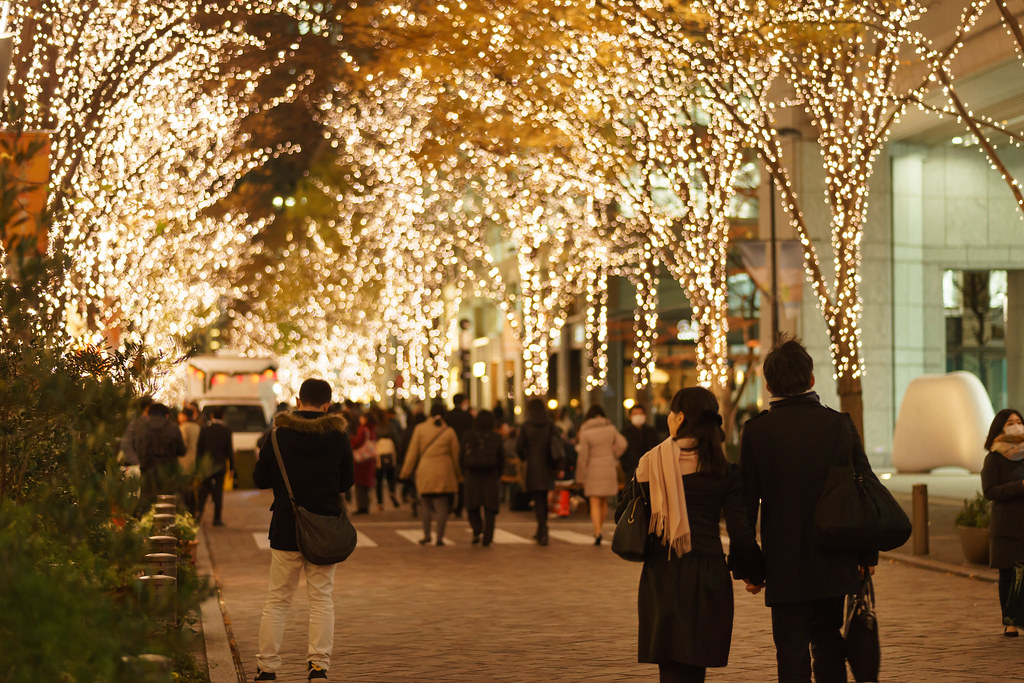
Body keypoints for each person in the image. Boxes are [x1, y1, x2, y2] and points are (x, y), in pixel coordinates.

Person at [740, 337, 879, 682]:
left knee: (790, 650)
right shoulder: (839, 425)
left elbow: (744, 504)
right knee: (828, 640)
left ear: (768, 384)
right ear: (812, 380)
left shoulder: (757, 432)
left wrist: (752, 568)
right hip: (834, 555)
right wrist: (866, 555)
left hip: (784, 561)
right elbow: (863, 492)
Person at [616, 387, 764, 682]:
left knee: (669, 666)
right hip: (707, 572)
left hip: (663, 571)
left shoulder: (650, 463)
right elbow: (741, 532)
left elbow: (623, 514)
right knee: (697, 664)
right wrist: (755, 573)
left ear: (680, 417)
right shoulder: (724, 469)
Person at [253, 378, 354, 682]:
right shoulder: (337, 437)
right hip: (323, 527)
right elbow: (346, 481)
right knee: (322, 599)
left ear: (298, 401)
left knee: (278, 600)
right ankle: (318, 666)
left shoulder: (277, 436)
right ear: (327, 405)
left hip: (286, 526)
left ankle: (267, 667)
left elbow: (259, 479)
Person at [981, 408, 1024, 637]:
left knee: (1023, 574)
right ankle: (1010, 622)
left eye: (1019, 421)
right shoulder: (994, 457)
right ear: (1000, 427)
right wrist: (1020, 487)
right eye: (1011, 422)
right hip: (1007, 525)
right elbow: (990, 491)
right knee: (1008, 574)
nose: (1016, 425)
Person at [399, 403, 462, 546]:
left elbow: (412, 453)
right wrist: (459, 475)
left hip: (425, 470)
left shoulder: (420, 429)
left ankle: (426, 535)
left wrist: (405, 471)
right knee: (441, 507)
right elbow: (456, 455)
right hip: (444, 471)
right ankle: (440, 538)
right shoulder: (449, 431)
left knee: (425, 505)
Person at [575, 403, 627, 544]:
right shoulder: (610, 429)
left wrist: (580, 475)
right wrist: (613, 454)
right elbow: (623, 444)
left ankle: (597, 532)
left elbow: (583, 456)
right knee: (604, 501)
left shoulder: (585, 432)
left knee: (594, 502)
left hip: (592, 469)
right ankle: (601, 528)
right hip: (608, 467)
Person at [516, 397, 564, 546]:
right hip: (547, 466)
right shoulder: (549, 424)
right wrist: (558, 465)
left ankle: (542, 529)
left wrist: (525, 456)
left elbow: (519, 446)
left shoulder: (526, 425)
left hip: (533, 466)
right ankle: (542, 529)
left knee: (538, 500)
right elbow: (558, 444)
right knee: (543, 498)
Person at [460, 410, 505, 546]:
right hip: (490, 475)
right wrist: (498, 474)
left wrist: (464, 472)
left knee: (472, 505)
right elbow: (501, 458)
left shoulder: (468, 435)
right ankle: (488, 536)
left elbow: (461, 456)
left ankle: (477, 528)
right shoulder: (496, 437)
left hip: (472, 475)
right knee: (490, 507)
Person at [133, 402, 187, 507]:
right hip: (168, 474)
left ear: (149, 414)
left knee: (147, 506)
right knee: (168, 506)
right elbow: (182, 451)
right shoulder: (173, 428)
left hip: (147, 474)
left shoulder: (141, 429)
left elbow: (137, 450)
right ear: (166, 415)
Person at [196, 406, 234, 526]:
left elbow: (199, 450)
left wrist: (198, 466)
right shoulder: (226, 431)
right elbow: (229, 451)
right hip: (220, 465)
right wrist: (232, 467)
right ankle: (217, 519)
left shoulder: (205, 430)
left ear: (212, 416)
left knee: (204, 491)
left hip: (207, 465)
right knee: (218, 492)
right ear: (223, 416)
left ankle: (198, 515)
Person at [446, 393, 474, 517]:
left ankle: (450, 505)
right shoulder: (468, 417)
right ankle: (460, 507)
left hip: (449, 451)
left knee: (450, 478)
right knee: (462, 480)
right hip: (464, 450)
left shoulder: (448, 416)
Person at [622, 403, 662, 484]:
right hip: (631, 471)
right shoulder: (625, 433)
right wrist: (626, 466)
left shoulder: (651, 431)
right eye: (635, 414)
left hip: (650, 470)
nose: (638, 416)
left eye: (640, 414)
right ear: (630, 416)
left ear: (645, 415)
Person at [398, 399, 427, 512]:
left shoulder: (409, 430)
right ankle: (417, 499)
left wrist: (400, 461)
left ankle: (414, 498)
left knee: (412, 482)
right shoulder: (426, 431)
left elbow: (403, 446)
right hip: (423, 460)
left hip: (412, 460)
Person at [374, 407, 402, 511]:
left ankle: (380, 502)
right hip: (389, 453)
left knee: (379, 479)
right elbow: (397, 439)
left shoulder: (375, 427)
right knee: (391, 477)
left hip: (379, 453)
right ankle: (392, 492)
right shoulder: (390, 426)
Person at [350, 410, 377, 515]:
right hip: (369, 459)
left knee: (359, 484)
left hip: (361, 460)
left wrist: (351, 442)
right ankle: (366, 506)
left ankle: (361, 507)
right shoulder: (373, 429)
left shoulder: (363, 429)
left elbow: (357, 442)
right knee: (366, 484)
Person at [119, 396, 154, 477]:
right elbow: (126, 445)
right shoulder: (136, 424)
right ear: (147, 407)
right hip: (140, 469)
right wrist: (138, 463)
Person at [178, 403, 201, 514]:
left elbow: (183, 445)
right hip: (195, 462)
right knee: (193, 488)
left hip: (185, 463)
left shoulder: (183, 428)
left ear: (184, 416)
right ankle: (195, 510)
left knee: (185, 490)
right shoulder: (197, 427)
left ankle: (187, 511)